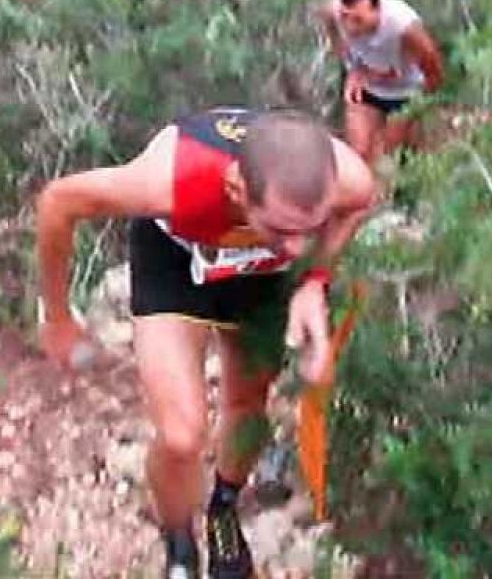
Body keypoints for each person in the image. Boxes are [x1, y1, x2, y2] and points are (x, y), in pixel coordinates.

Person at [35, 107, 378, 579]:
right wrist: (57, 318)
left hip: (263, 276)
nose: (298, 244)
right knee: (181, 434)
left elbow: (362, 201)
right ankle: (178, 544)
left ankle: (223, 508)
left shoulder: (343, 180)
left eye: (310, 229)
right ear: (238, 189)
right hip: (178, 260)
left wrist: (314, 278)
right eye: (283, 228)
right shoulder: (169, 179)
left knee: (248, 408)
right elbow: (58, 201)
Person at [319, 0, 445, 165]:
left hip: (405, 93)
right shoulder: (335, 13)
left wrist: (420, 105)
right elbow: (333, 31)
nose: (350, 26)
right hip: (366, 89)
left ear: (377, 8)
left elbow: (433, 66)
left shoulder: (403, 27)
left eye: (358, 19)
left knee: (387, 156)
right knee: (358, 153)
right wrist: (351, 67)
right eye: (346, 16)